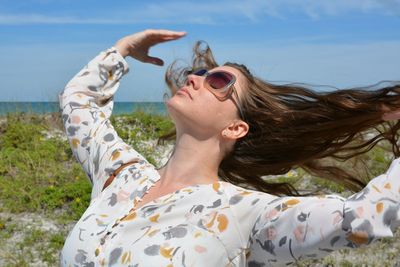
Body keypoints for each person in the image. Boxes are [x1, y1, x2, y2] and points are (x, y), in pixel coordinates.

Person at [58, 29, 400, 266]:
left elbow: (363, 218)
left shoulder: (243, 213)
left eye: (218, 82)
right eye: (199, 72)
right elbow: (78, 102)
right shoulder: (122, 175)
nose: (194, 78)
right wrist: (122, 49)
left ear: (236, 127)